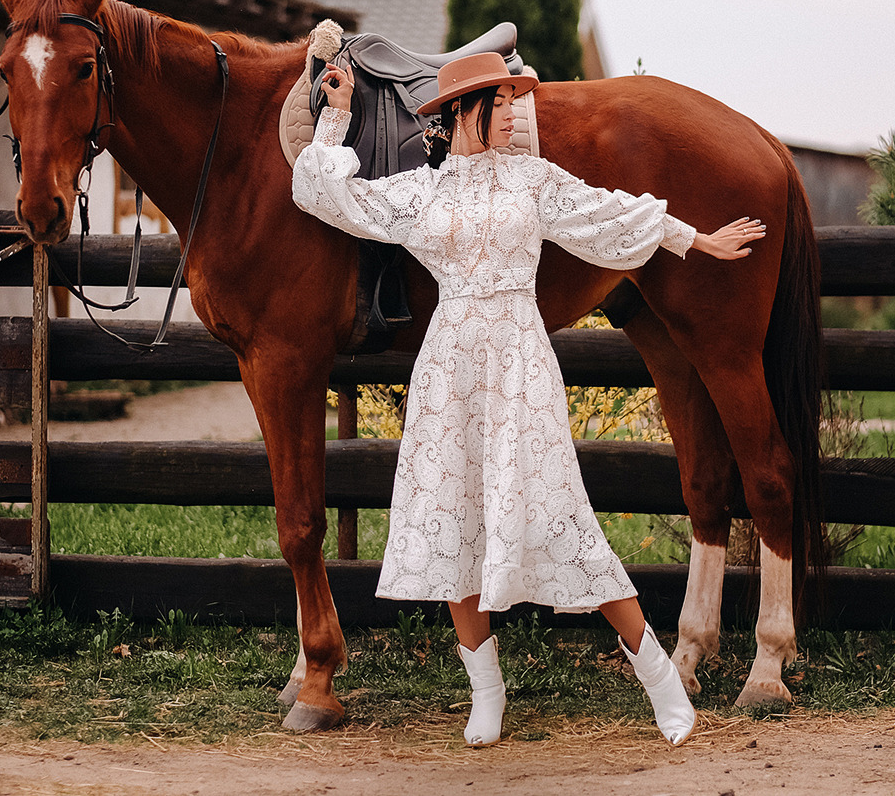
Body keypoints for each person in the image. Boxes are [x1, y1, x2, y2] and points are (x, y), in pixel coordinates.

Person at [292, 52, 765, 748]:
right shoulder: (423, 192)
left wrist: (694, 238)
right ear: (460, 113)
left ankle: (658, 676)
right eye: (502, 99)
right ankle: (486, 690)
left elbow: (607, 216)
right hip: (450, 369)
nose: (516, 109)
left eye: (515, 97)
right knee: (454, 528)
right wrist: (333, 118)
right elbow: (331, 197)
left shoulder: (534, 180)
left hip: (519, 360)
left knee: (561, 516)